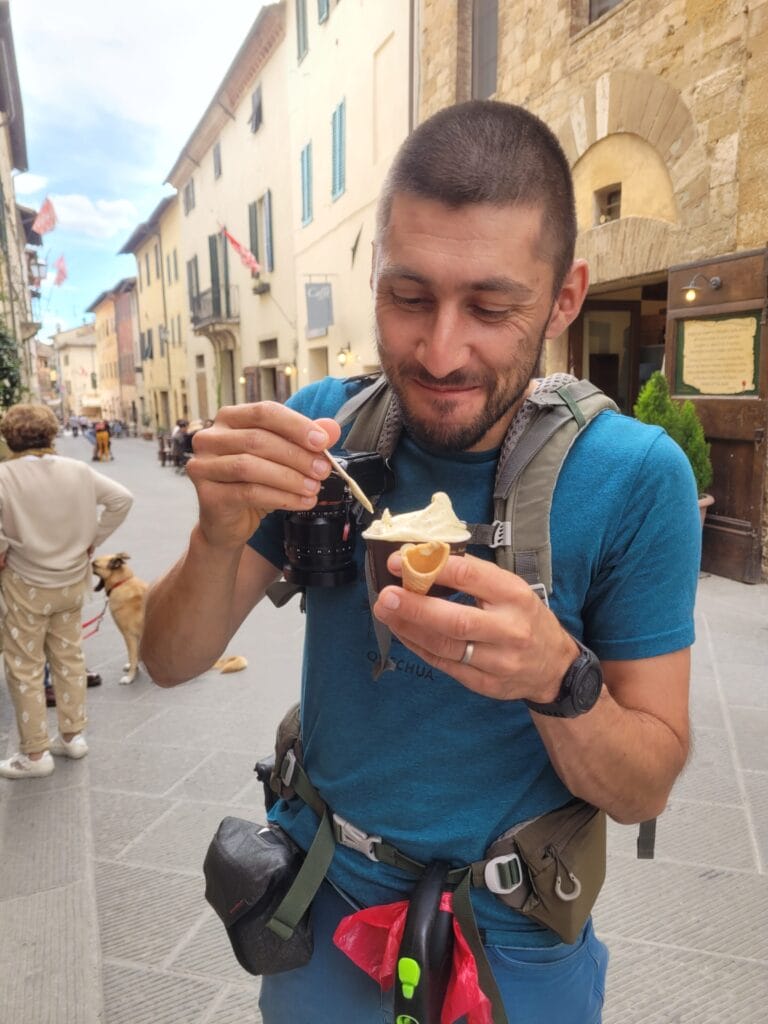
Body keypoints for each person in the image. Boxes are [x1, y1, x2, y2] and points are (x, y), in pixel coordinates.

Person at [140, 101, 700, 1023]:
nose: (441, 351)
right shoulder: (326, 430)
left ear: (564, 299)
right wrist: (217, 535)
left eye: (491, 306)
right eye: (409, 297)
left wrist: (556, 676)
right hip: (320, 906)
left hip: (517, 934)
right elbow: (169, 659)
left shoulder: (637, 478)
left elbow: (644, 786)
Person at [0, 403, 133, 779]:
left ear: (9, 437)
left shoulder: (3, 476)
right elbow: (122, 499)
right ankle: (73, 737)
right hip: (71, 582)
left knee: (25, 666)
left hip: (26, 584)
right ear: (51, 434)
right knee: (70, 658)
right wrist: (92, 539)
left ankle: (35, 754)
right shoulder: (78, 471)